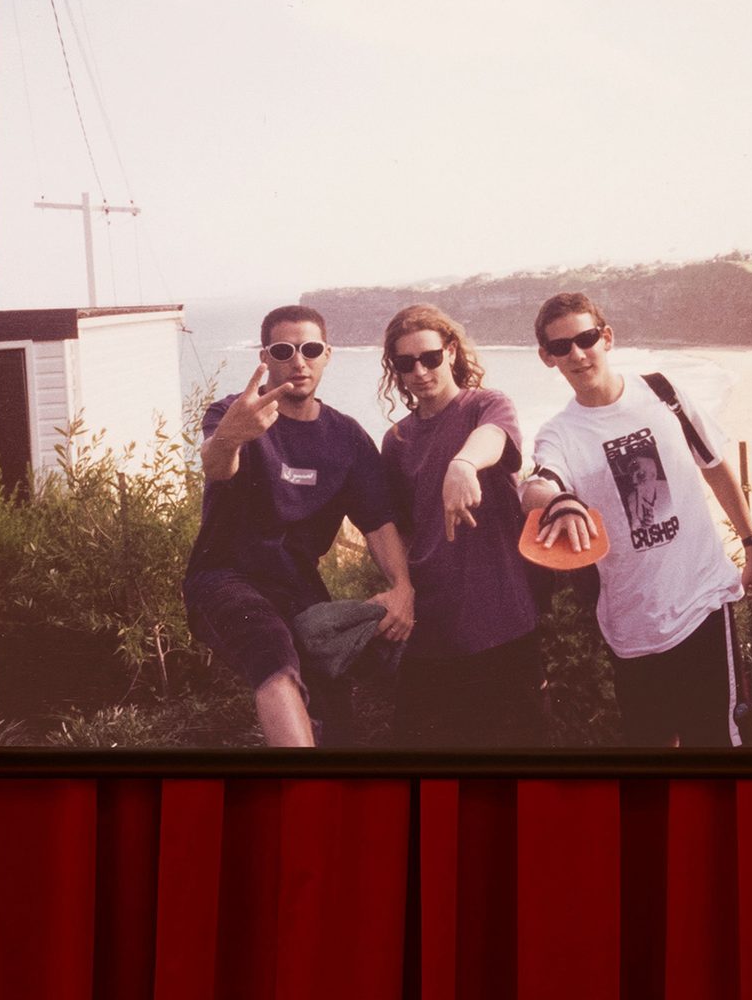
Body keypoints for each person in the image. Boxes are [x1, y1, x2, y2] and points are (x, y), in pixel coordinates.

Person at [519, 293, 752, 749]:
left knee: (722, 744)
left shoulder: (662, 391)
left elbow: (714, 465)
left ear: (606, 337)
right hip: (630, 628)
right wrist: (558, 503)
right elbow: (538, 485)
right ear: (546, 357)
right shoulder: (558, 433)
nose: (577, 354)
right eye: (561, 347)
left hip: (703, 604)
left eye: (586, 338)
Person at [184, 304, 413, 748]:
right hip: (224, 576)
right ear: (264, 357)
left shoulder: (346, 437)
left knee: (334, 708)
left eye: (309, 348)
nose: (298, 361)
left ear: (327, 354)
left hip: (298, 588)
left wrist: (403, 587)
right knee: (272, 653)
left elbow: (378, 522)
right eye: (283, 350)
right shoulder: (236, 412)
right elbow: (215, 464)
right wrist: (233, 436)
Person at [378, 304, 545, 751]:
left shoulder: (486, 406)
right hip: (431, 630)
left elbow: (494, 438)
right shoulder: (396, 441)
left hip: (501, 620)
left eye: (430, 357)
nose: (419, 371)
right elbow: (397, 529)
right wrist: (400, 589)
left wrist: (464, 464)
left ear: (450, 351)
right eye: (405, 363)